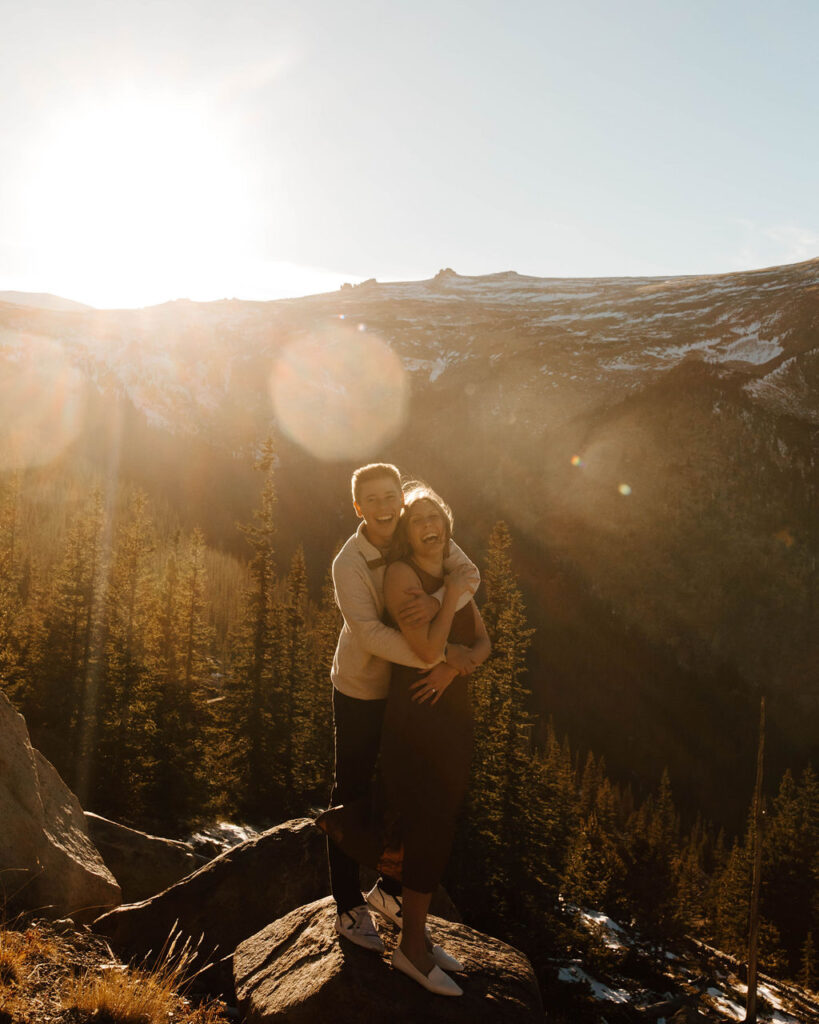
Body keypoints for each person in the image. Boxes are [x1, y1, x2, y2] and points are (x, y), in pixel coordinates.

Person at [320, 483, 490, 997]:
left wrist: (451, 610)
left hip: (408, 686)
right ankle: (348, 903)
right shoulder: (354, 563)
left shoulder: (424, 537)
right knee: (354, 788)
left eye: (390, 495)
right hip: (363, 685)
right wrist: (442, 661)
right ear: (357, 507)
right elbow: (372, 634)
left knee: (407, 800)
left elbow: (471, 579)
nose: (385, 507)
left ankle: (391, 896)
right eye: (371, 499)